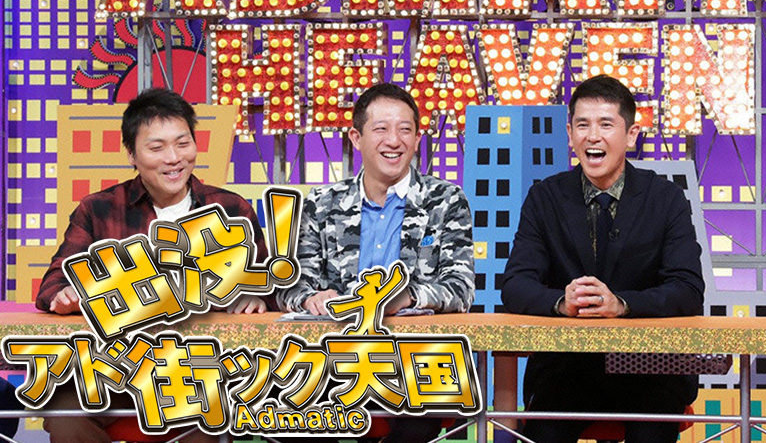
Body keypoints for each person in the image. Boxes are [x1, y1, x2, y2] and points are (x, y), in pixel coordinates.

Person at [36, 88, 269, 443]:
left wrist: (257, 296)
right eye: (156, 148)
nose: (173, 158)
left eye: (183, 143)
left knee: (209, 425)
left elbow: (272, 284)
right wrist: (66, 295)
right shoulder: (98, 209)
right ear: (132, 154)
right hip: (113, 368)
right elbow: (53, 284)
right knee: (65, 414)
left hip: (200, 370)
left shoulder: (231, 209)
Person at [501, 75, 704, 443]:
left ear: (631, 135)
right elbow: (515, 285)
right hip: (566, 371)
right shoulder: (544, 198)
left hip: (649, 370)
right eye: (583, 125)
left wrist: (622, 305)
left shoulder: (666, 198)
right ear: (570, 134)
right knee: (544, 434)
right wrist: (562, 302)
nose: (592, 136)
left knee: (650, 436)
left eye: (606, 124)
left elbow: (687, 289)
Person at [277, 82, 475, 442]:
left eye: (405, 130)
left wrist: (409, 296)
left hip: (415, 359)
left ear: (417, 139)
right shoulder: (322, 203)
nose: (394, 141)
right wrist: (310, 298)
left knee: (419, 421)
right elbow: (291, 285)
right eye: (381, 129)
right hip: (334, 356)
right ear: (356, 137)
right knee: (285, 413)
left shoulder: (445, 200)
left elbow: (461, 288)